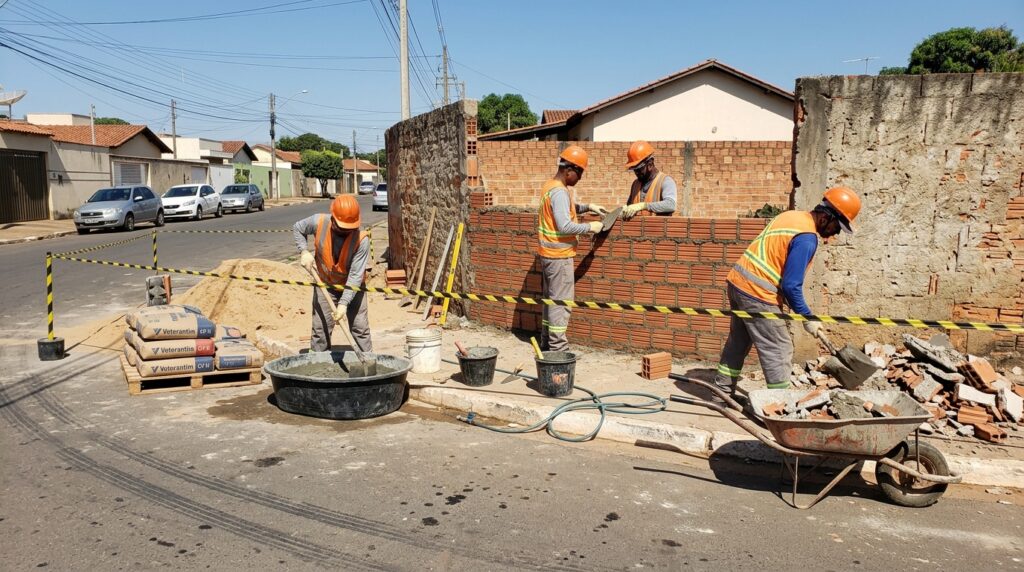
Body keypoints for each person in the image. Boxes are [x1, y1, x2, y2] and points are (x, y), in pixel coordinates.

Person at [712, 187, 862, 397]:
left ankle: (721, 392)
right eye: (838, 227)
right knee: (779, 348)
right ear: (827, 217)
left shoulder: (792, 216)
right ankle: (779, 404)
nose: (836, 234)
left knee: (739, 340)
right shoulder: (807, 238)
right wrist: (808, 317)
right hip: (758, 293)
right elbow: (791, 285)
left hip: (738, 283)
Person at [537, 145, 608, 352]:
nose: (580, 179)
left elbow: (564, 209)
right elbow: (564, 225)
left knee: (551, 302)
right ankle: (558, 350)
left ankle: (547, 344)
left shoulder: (550, 186)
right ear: (569, 170)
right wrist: (590, 227)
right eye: (580, 173)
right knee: (561, 304)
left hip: (548, 255)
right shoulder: (559, 192)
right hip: (559, 256)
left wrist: (588, 207)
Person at [293, 195, 372, 353]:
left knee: (360, 329)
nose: (345, 231)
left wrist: (343, 304)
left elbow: (355, 276)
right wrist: (303, 251)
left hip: (353, 288)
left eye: (349, 228)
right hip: (325, 283)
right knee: (320, 330)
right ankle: (317, 365)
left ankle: (368, 364)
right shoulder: (319, 222)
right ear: (333, 218)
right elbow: (298, 228)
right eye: (342, 227)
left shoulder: (361, 240)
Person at [620, 141, 678, 219]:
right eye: (634, 169)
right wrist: (625, 209)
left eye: (639, 169)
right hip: (637, 230)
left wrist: (644, 206)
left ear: (650, 164)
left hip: (658, 230)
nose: (636, 172)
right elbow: (630, 206)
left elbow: (671, 205)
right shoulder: (635, 184)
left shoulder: (665, 181)